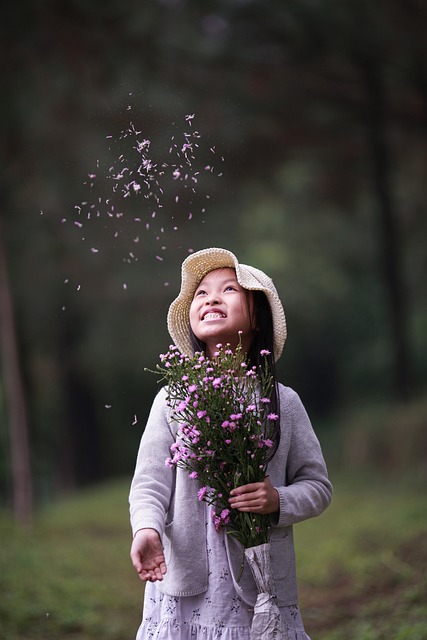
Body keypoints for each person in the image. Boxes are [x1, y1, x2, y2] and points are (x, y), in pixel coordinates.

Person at [129, 247, 332, 640]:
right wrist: (146, 529)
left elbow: (318, 486)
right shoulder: (174, 399)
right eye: (201, 293)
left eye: (229, 290)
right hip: (185, 581)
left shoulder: (281, 401)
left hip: (260, 586)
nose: (211, 298)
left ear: (257, 317)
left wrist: (278, 501)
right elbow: (150, 481)